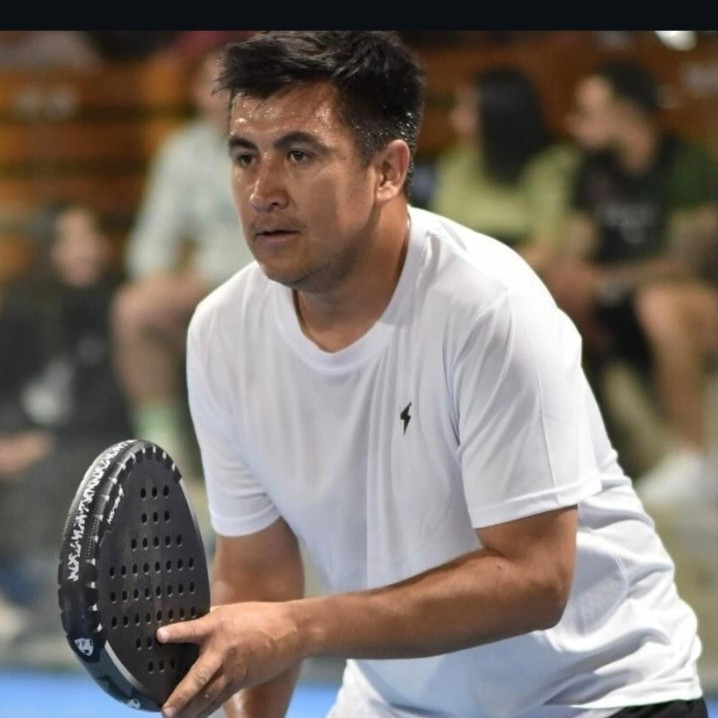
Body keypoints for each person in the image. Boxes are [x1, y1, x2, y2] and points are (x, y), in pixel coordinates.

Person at [155, 32, 707, 718]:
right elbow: (258, 575)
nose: (262, 191)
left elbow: (535, 578)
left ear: (388, 171)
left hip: (597, 695)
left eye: (299, 154)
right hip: (395, 699)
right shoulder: (220, 333)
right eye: (245, 157)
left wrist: (300, 626)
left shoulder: (490, 307)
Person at [542, 59, 718, 506]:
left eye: (588, 112)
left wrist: (604, 281)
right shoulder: (595, 170)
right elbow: (575, 247)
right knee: (547, 296)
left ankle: (695, 458)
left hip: (693, 298)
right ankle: (566, 458)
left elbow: (687, 262)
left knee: (660, 302)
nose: (575, 123)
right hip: (617, 300)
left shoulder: (684, 162)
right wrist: (568, 278)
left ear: (627, 112)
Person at [111, 38, 254, 475]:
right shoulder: (182, 149)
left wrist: (202, 278)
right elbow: (151, 239)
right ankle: (166, 463)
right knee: (134, 311)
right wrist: (158, 281)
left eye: (232, 86)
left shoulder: (275, 146)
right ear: (194, 93)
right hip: (199, 291)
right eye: (211, 86)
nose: (221, 98)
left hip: (266, 282)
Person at [0, 200, 132, 652]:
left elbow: (112, 406)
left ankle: (55, 609)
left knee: (60, 476)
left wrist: (44, 442)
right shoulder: (21, 307)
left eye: (90, 237)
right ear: (47, 249)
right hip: (22, 436)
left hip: (92, 441)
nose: (85, 250)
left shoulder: (117, 306)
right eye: (69, 241)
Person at [428, 66, 578, 274]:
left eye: (467, 109)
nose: (454, 118)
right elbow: (442, 234)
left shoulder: (552, 163)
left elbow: (548, 246)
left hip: (524, 278)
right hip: (462, 273)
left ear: (499, 114)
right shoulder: (458, 161)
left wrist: (486, 275)